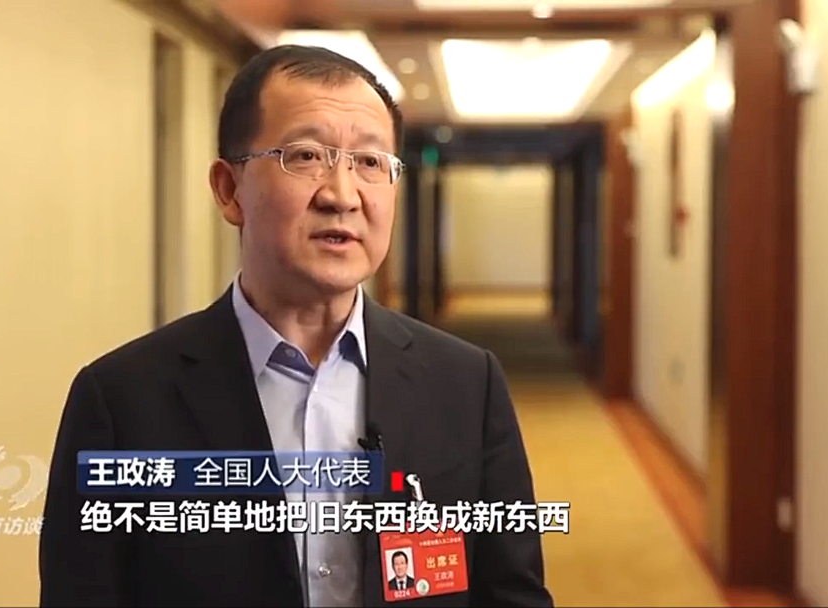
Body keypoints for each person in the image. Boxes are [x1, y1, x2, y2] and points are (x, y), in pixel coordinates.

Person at [39, 44, 553, 607]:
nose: (342, 195)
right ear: (229, 190)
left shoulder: (465, 383)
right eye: (305, 156)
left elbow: (511, 594)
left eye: (370, 162)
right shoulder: (122, 400)